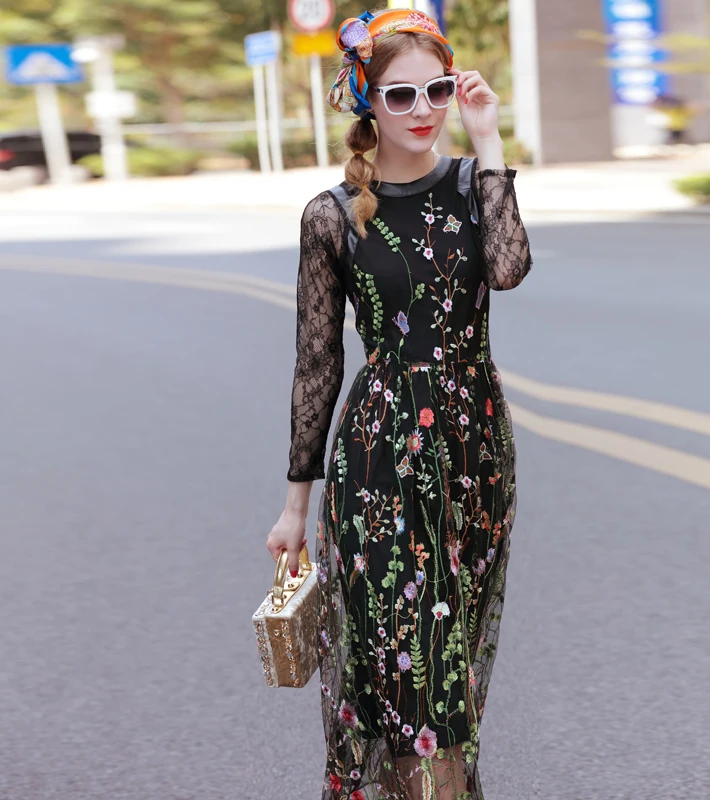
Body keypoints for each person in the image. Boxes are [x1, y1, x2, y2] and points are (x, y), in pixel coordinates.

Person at [266, 8, 532, 799]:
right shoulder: (331, 215)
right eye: (400, 95)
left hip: (475, 456)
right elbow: (317, 361)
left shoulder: (469, 187)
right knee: (411, 672)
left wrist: (488, 145)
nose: (422, 111)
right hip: (379, 460)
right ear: (366, 102)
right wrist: (293, 508)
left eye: (438, 90)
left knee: (451, 672)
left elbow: (511, 269)